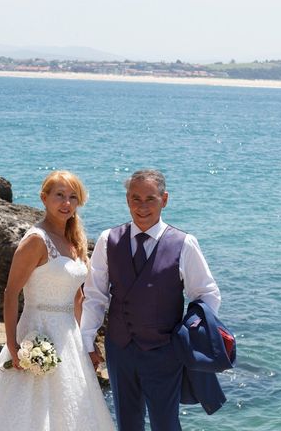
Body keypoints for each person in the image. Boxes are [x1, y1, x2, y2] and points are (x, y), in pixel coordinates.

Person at [0, 170, 115, 431]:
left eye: (72, 197)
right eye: (59, 195)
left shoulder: (74, 240)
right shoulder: (36, 240)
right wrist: (13, 346)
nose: (66, 203)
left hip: (69, 338)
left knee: (73, 409)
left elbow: (78, 298)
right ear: (44, 198)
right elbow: (10, 293)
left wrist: (88, 344)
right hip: (37, 332)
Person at [81, 169, 221, 431]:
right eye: (135, 198)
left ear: (164, 200)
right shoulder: (107, 240)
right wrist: (87, 339)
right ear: (127, 200)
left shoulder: (184, 243)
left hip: (164, 351)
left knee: (165, 423)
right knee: (127, 422)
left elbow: (207, 294)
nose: (142, 207)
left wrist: (189, 333)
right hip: (119, 349)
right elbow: (95, 295)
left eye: (150, 199)